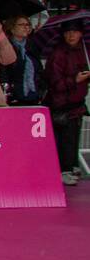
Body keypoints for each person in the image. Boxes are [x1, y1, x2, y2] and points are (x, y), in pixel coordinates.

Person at [43, 20, 90, 186]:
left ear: (81, 34)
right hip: (62, 104)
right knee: (64, 139)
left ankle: (71, 166)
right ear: (63, 35)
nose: (71, 35)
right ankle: (64, 169)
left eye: (75, 32)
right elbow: (55, 84)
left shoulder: (83, 51)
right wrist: (75, 79)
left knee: (73, 136)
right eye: (68, 32)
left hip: (77, 102)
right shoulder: (58, 54)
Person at [0, 15, 43, 105]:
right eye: (21, 24)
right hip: (13, 97)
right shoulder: (6, 46)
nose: (25, 27)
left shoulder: (32, 46)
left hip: (32, 96)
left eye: (27, 24)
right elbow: (4, 72)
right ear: (12, 28)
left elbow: (39, 70)